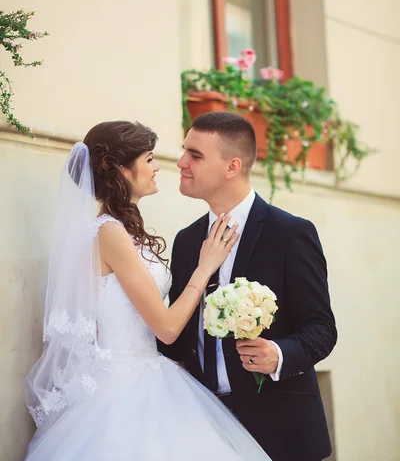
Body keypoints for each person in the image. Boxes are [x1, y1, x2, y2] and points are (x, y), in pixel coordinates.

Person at [24, 120, 271, 460]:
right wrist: (206, 267)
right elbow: (167, 329)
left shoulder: (124, 232)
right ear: (122, 170)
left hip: (150, 372)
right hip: (124, 387)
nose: (159, 167)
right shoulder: (109, 233)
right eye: (149, 158)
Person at [160, 112, 338, 461]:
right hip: (204, 428)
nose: (181, 162)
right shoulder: (186, 241)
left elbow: (322, 329)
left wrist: (279, 355)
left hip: (281, 429)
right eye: (184, 151)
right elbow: (178, 340)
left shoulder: (290, 234)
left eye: (195, 155)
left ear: (232, 166)